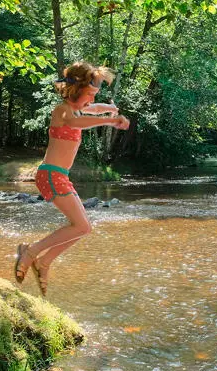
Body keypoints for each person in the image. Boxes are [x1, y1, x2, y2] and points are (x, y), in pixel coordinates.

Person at [14, 61, 130, 295]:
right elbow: (76, 122)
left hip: (59, 177)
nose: (91, 99)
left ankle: (43, 262)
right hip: (50, 175)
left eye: (94, 95)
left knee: (83, 228)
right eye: (89, 94)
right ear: (77, 90)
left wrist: (108, 110)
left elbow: (92, 109)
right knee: (81, 225)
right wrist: (110, 121)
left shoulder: (78, 109)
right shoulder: (63, 110)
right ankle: (31, 252)